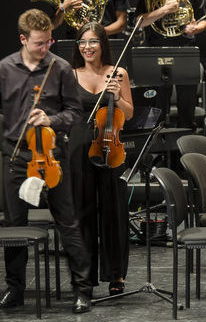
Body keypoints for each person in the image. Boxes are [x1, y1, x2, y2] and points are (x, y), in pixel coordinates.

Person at [0, 9, 92, 313]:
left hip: (51, 156)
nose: (46, 48)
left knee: (68, 222)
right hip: (16, 156)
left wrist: (50, 118)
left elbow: (76, 114)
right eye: (39, 43)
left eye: (49, 41)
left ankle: (82, 289)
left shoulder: (61, 67)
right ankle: (15, 289)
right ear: (23, 39)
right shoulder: (5, 68)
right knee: (14, 226)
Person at [68, 22, 133, 296]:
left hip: (110, 147)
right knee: (82, 213)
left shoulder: (117, 73)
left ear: (103, 44)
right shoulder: (70, 74)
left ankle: (115, 274)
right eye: (83, 42)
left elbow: (128, 114)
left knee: (114, 211)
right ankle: (84, 277)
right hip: (79, 149)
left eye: (93, 41)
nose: (87, 47)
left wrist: (117, 98)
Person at [138, 0, 206, 129]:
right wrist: (164, 10)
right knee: (157, 111)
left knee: (187, 109)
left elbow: (203, 20)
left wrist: (196, 28)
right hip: (155, 50)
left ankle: (185, 149)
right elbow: (139, 22)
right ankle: (157, 152)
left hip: (184, 51)